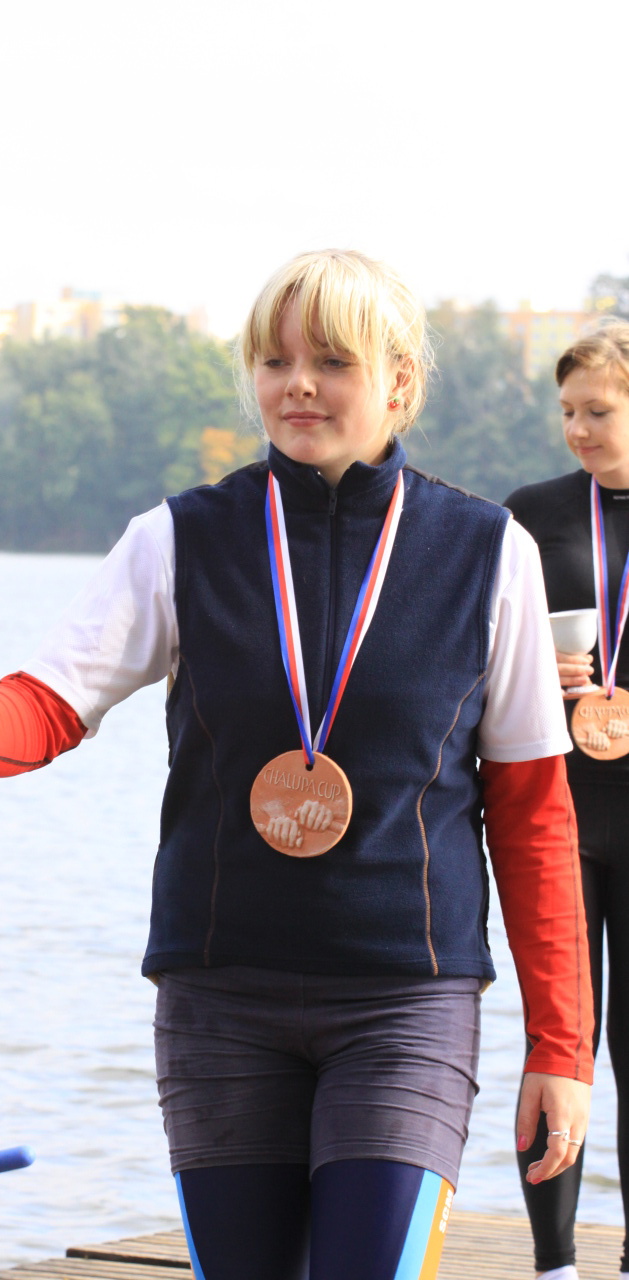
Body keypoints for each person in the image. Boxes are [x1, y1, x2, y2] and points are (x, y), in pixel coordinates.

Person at [0, 249, 593, 1280]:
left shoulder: (489, 552)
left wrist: (559, 1047)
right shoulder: (180, 536)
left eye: (330, 361)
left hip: (403, 1001)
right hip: (221, 996)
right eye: (274, 360)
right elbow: (52, 698)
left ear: (398, 380)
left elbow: (532, 815)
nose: (296, 384)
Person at [506, 320, 629, 1280]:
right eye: (566, 412)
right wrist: (529, 673)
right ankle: (554, 1265)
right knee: (559, 1040)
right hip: (558, 815)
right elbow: (479, 653)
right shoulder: (531, 515)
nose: (577, 430)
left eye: (597, 411)